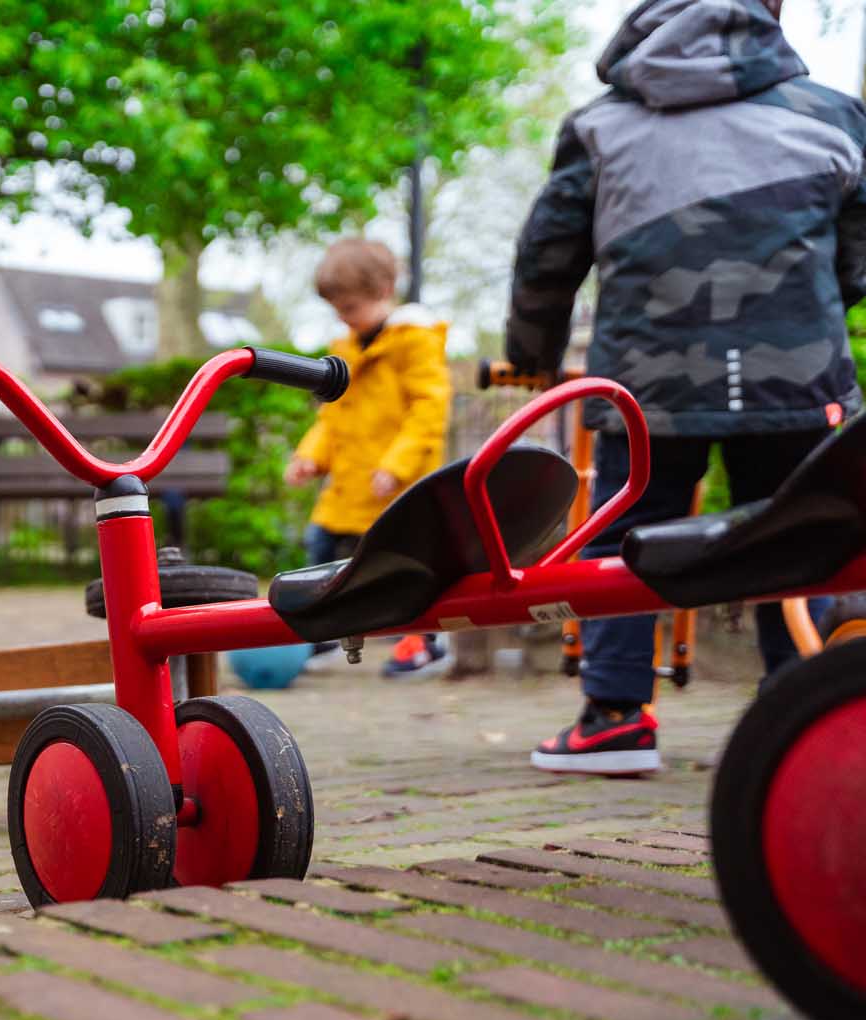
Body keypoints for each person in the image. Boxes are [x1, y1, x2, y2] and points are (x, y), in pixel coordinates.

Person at [506, 0, 865, 775]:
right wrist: (805, 317)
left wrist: (531, 358)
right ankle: (803, 714)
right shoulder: (834, 114)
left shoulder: (601, 126)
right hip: (795, 372)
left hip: (647, 378)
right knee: (801, 529)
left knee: (623, 531)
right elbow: (856, 252)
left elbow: (547, 256)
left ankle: (614, 718)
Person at [284, 237, 452, 678]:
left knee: (411, 563)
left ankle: (428, 642)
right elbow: (332, 416)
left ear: (383, 293)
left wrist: (396, 465)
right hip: (349, 482)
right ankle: (324, 635)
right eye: (338, 310)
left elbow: (428, 410)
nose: (344, 318)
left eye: (351, 307)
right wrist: (310, 457)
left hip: (397, 482)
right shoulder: (346, 347)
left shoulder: (414, 342)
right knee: (320, 547)